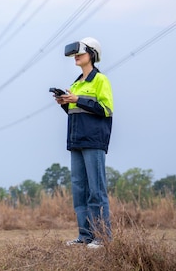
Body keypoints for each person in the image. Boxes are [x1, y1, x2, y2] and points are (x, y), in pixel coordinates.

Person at [53, 37, 113, 249]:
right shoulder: (76, 84)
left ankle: (102, 238)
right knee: (79, 190)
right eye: (75, 54)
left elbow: (105, 109)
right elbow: (75, 113)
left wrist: (78, 100)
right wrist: (64, 102)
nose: (76, 57)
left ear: (92, 54)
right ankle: (85, 236)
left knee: (97, 190)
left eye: (81, 53)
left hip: (94, 141)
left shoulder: (100, 80)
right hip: (76, 141)